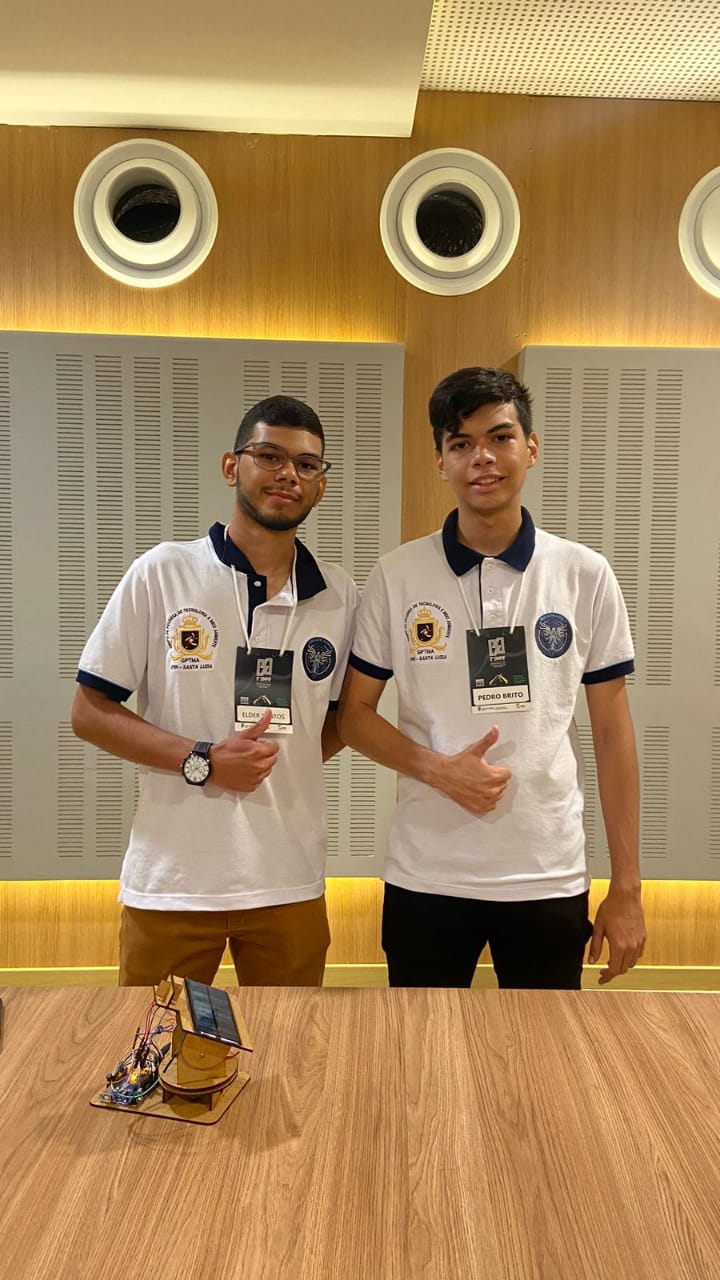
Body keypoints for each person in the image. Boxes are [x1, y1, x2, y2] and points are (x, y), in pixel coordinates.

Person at [338, 367, 646, 990]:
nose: (482, 457)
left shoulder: (584, 574)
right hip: (427, 874)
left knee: (544, 1049)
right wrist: (438, 769)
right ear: (440, 461)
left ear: (530, 447)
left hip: (547, 874)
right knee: (421, 1046)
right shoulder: (397, 575)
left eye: (500, 437)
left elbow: (614, 736)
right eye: (461, 443)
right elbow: (352, 718)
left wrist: (627, 888)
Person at [72, 394, 358, 987]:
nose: (288, 474)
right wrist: (203, 760)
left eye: (306, 464)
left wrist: (281, 761)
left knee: (290, 1042)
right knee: (158, 1042)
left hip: (289, 879)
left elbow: (339, 720)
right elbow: (90, 712)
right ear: (232, 466)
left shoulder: (340, 596)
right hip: (173, 881)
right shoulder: (163, 572)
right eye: (269, 456)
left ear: (321, 486)